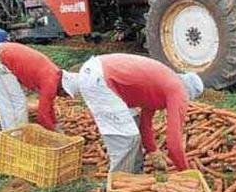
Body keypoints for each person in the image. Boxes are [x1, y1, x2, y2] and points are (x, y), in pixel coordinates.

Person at [60, 54, 204, 173]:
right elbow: (174, 143)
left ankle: (134, 175)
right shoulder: (178, 91)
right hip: (101, 79)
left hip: (100, 73)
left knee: (133, 124)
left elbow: (145, 124)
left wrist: (152, 150)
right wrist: (186, 172)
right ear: (188, 94)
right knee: (126, 138)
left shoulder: (163, 84)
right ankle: (118, 191)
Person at [0, 37, 63, 131]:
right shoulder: (50, 82)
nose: (63, 95)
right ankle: (15, 135)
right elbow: (43, 114)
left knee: (10, 101)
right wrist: (54, 130)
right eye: (65, 94)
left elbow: (48, 105)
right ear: (63, 88)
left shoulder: (54, 74)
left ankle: (13, 133)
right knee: (13, 101)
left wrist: (54, 123)